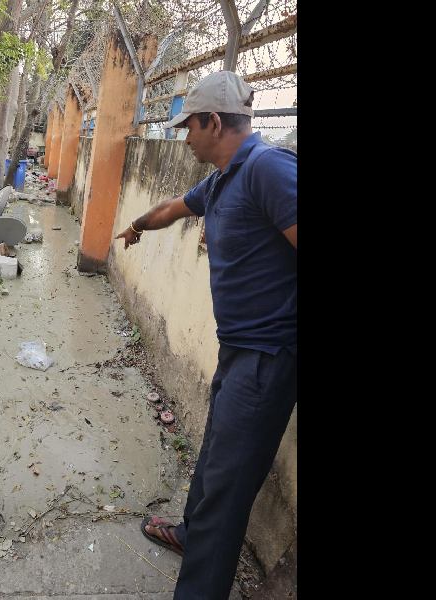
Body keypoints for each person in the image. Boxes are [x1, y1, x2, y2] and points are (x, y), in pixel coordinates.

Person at [114, 71, 296, 600]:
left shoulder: (268, 169)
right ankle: (192, 535)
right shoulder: (222, 178)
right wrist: (138, 226)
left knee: (228, 487)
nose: (184, 136)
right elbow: (172, 207)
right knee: (215, 454)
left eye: (189, 126)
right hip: (240, 350)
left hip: (270, 357)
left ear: (214, 122)